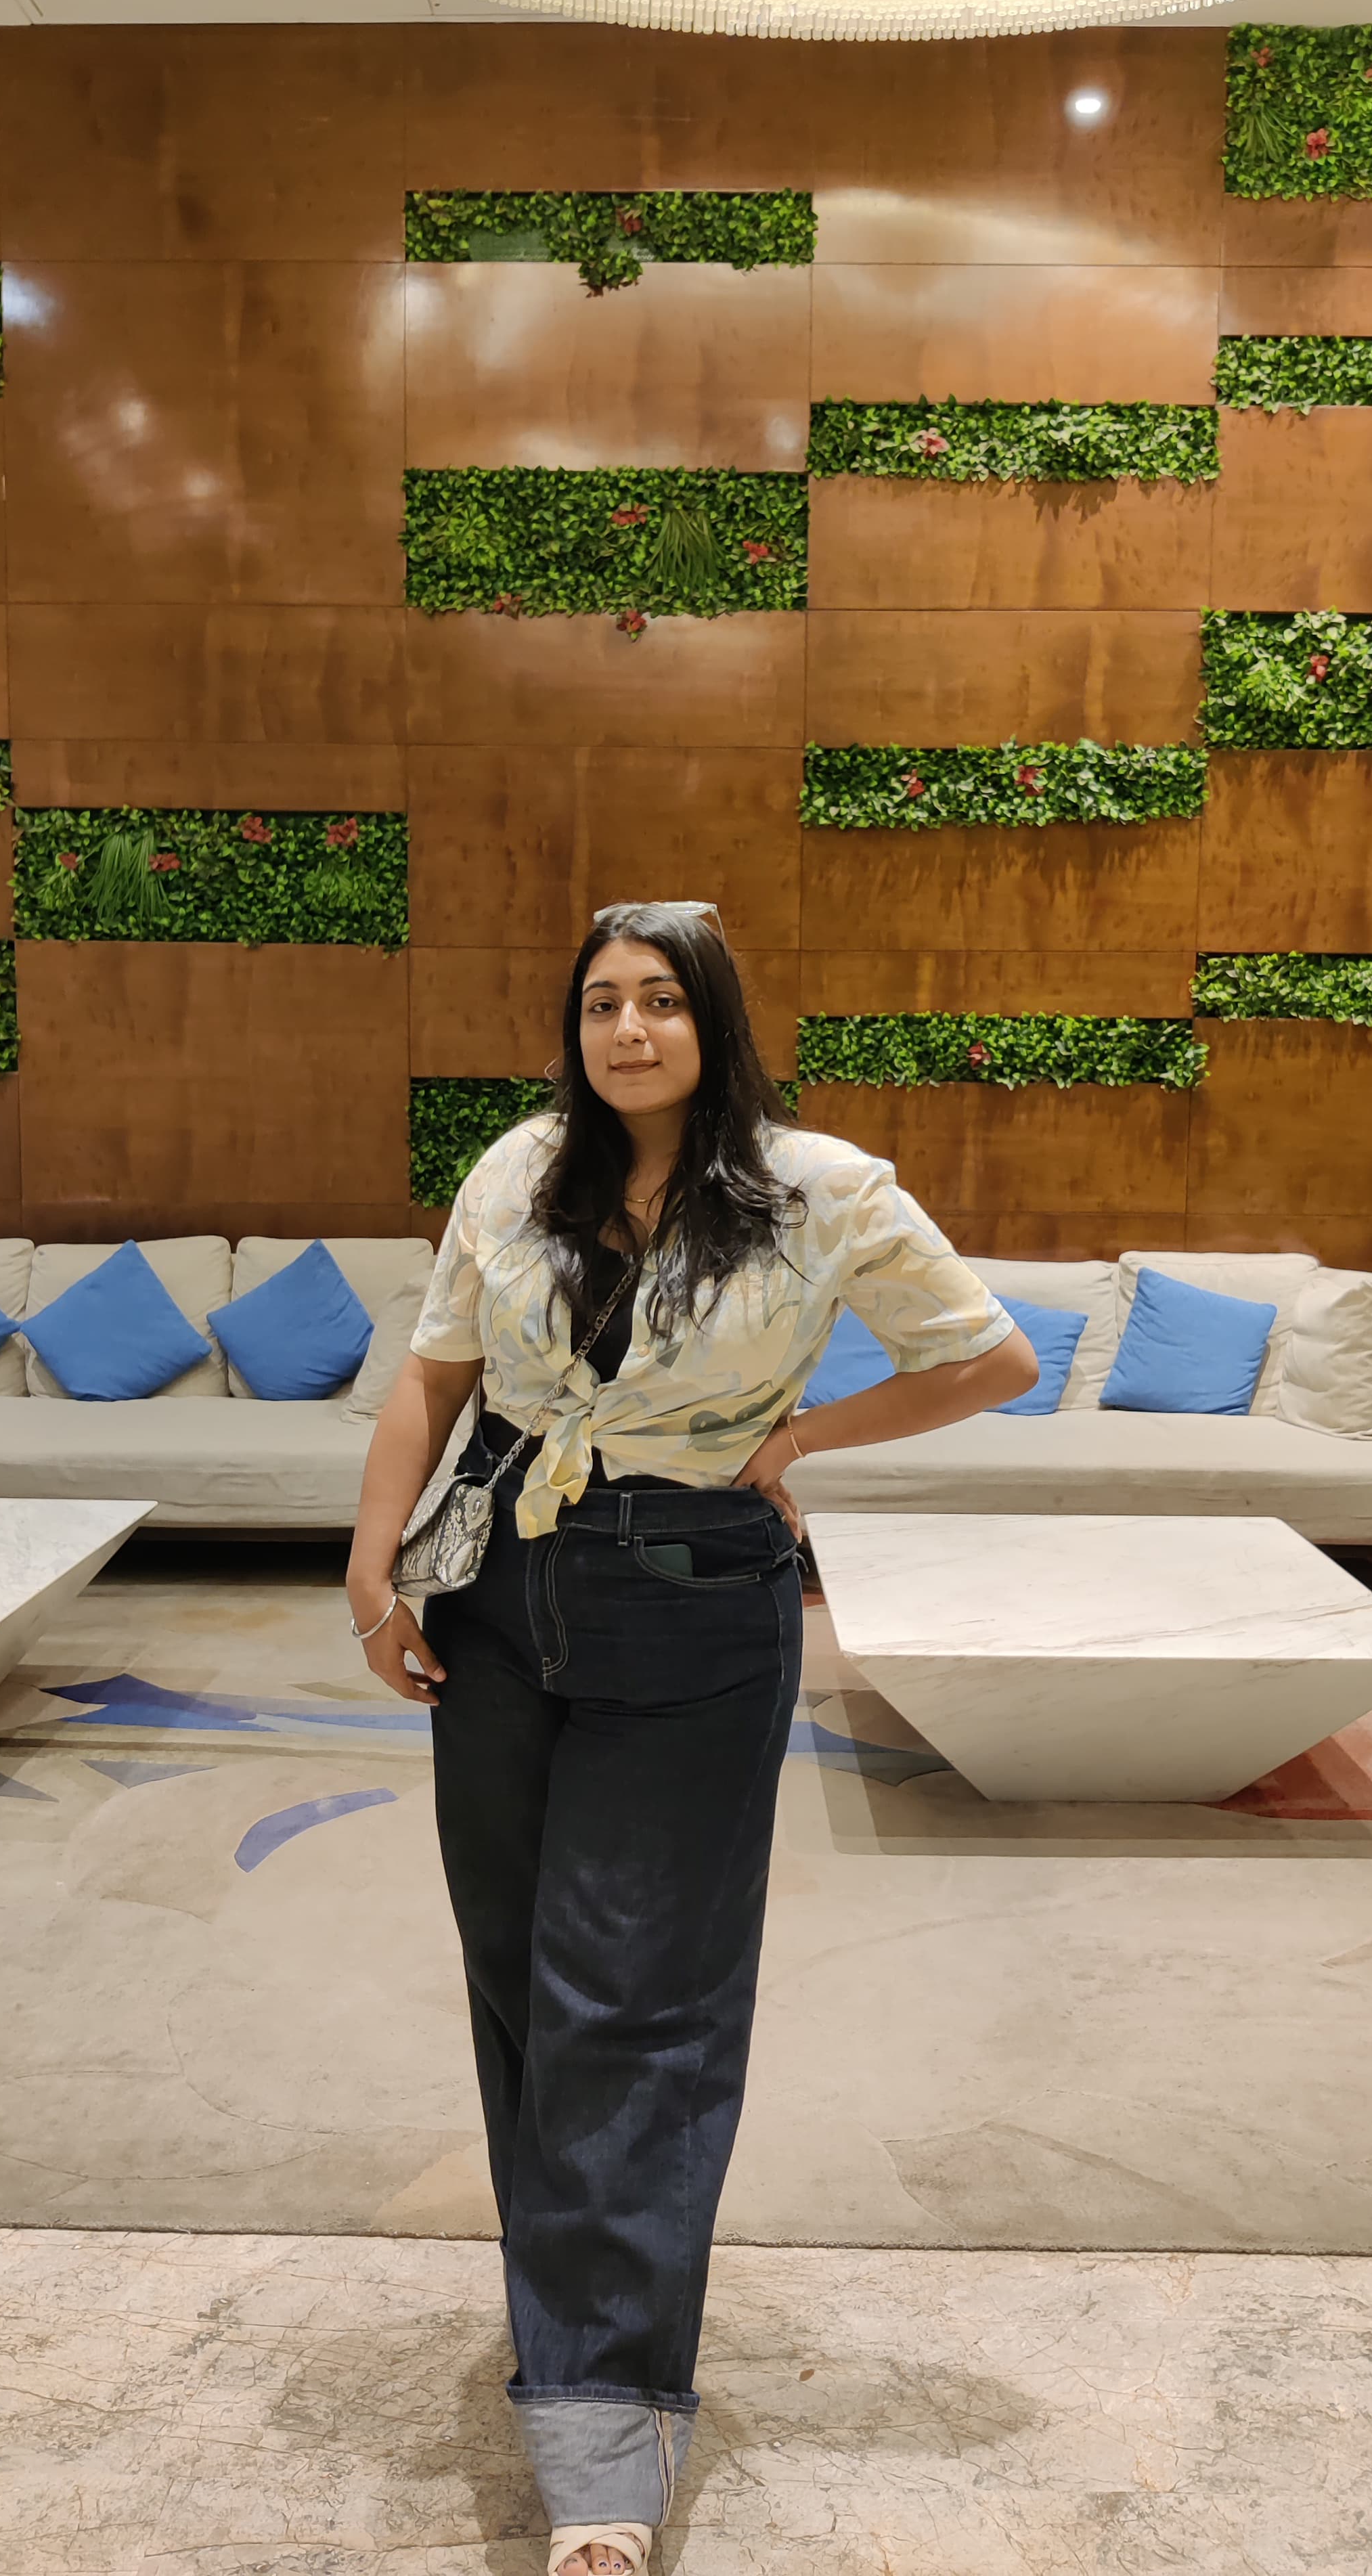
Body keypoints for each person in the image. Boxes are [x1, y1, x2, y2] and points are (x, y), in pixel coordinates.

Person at [346, 901, 1036, 2576]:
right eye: (601, 1001)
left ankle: (599, 2414)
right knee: (520, 1974)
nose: (629, 1028)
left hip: (693, 1598)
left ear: (714, 1020)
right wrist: (371, 1564)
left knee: (636, 1997)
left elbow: (989, 1358)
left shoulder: (822, 1187)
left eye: (661, 998)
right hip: (500, 1591)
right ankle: (578, 2296)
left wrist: (799, 1436)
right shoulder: (518, 1169)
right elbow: (436, 1378)